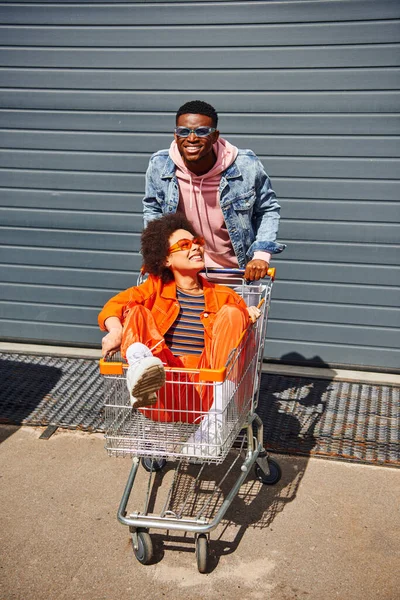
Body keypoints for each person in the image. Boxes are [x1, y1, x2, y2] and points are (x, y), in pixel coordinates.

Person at [98, 214, 260, 454]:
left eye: (196, 242)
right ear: (166, 259)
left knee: (234, 313)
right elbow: (115, 306)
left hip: (208, 393)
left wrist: (246, 315)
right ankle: (141, 368)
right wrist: (115, 330)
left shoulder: (225, 296)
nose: (195, 247)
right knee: (137, 312)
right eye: (184, 245)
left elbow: (239, 341)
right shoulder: (154, 288)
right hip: (161, 390)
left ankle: (215, 421)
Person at [143, 99, 286, 282]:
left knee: (238, 312)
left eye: (202, 132)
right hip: (185, 274)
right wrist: (155, 254)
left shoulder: (245, 165)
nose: (192, 138)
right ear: (175, 135)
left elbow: (267, 209)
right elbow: (153, 211)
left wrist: (261, 255)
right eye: (183, 132)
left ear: (215, 136)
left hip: (236, 273)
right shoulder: (160, 165)